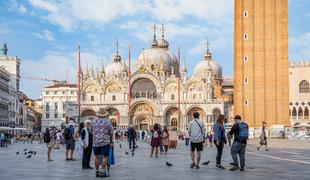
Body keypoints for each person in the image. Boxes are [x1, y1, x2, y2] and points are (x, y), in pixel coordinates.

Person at [92, 109, 114, 177]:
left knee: (97, 157)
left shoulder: (93, 122)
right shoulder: (108, 122)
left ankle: (97, 172)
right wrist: (111, 142)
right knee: (105, 157)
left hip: (95, 142)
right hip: (104, 142)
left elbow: (90, 131)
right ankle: (104, 172)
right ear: (105, 115)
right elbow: (111, 132)